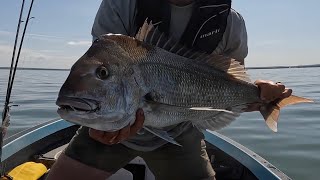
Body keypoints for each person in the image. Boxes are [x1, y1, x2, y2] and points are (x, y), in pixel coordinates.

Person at [46, 0, 292, 179]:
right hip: (108, 130)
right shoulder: (121, 3)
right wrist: (99, 122)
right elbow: (100, 62)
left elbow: (230, 79)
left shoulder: (230, 21)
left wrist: (256, 91)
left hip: (180, 132)